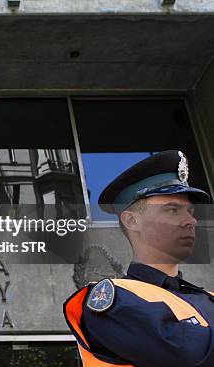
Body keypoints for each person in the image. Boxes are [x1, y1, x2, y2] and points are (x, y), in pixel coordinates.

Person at [64, 150, 214, 367]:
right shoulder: (115, 299)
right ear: (132, 221)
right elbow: (188, 355)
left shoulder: (208, 297)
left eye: (190, 211)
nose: (190, 221)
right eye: (173, 210)